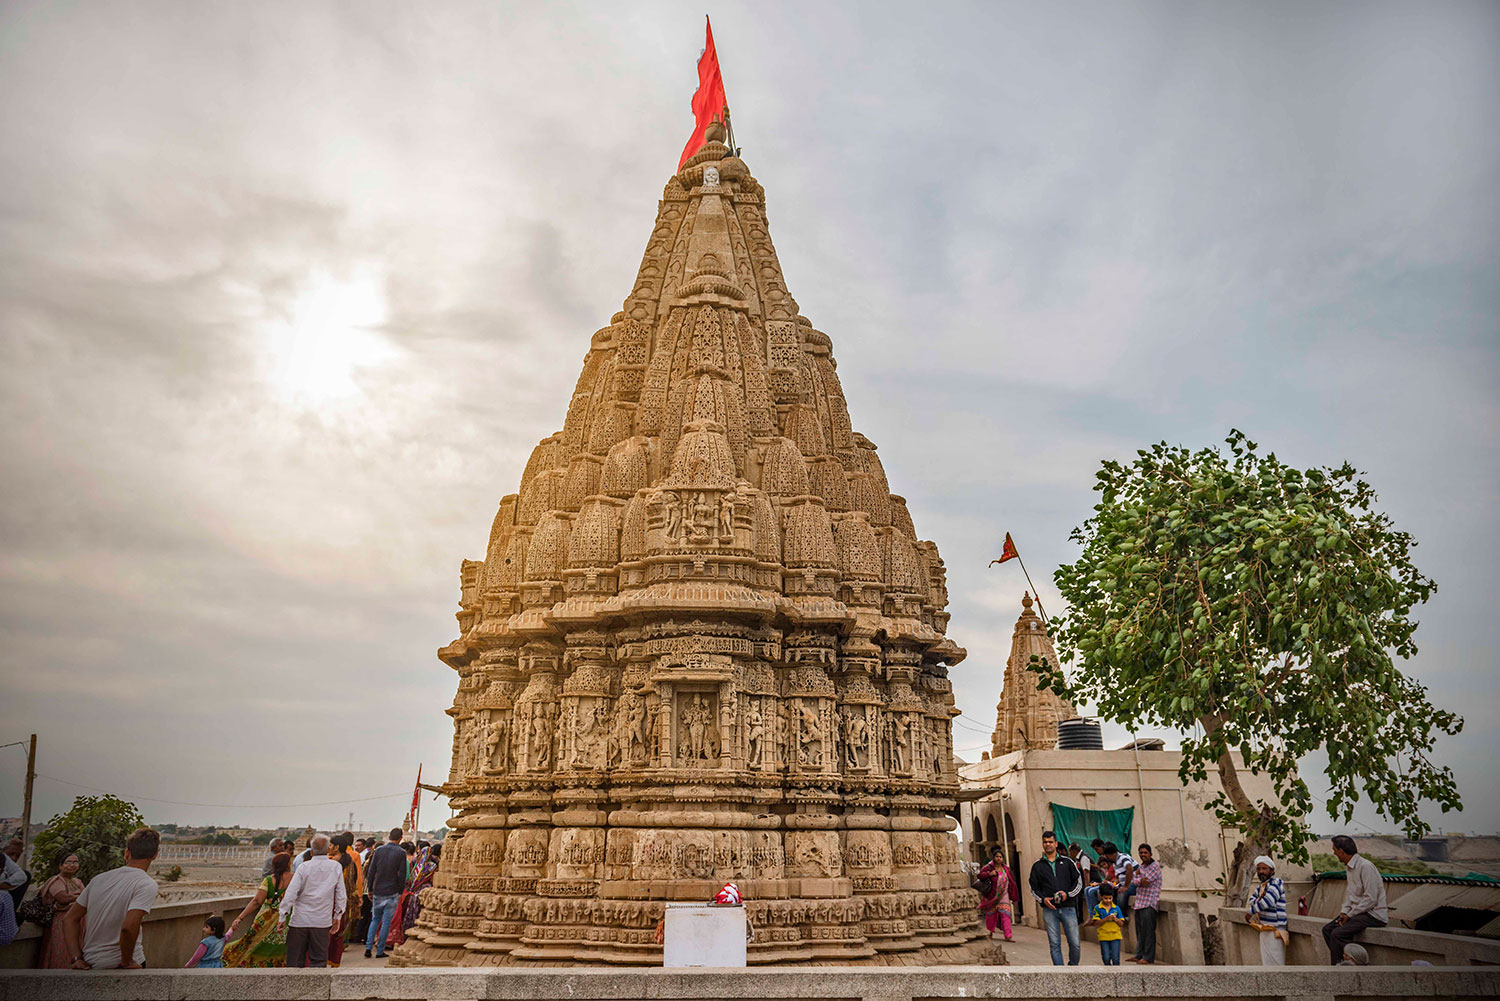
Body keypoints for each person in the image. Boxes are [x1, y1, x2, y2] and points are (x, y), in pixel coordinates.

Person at [63, 827, 160, 970]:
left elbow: (69, 918)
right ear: (155, 855)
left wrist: (76, 958)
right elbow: (128, 927)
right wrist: (127, 961)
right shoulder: (146, 884)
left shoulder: (98, 879)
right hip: (123, 965)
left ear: (127, 853)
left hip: (91, 962)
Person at [277, 833, 345, 968]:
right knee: (319, 961)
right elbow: (341, 895)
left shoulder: (304, 867)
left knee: (295, 961)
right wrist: (338, 916)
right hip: (322, 922)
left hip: (299, 921)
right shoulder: (335, 867)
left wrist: (282, 916)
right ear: (327, 850)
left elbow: (291, 893)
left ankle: (295, 987)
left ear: (312, 851)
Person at [1321, 835, 1387, 965]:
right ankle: (1344, 961)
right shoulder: (1350, 868)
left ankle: (1351, 963)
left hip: (1373, 914)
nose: (1334, 853)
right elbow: (1350, 895)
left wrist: (1350, 914)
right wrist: (1344, 912)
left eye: (1335, 850)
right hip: (1359, 913)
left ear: (1341, 851)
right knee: (1328, 930)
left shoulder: (1365, 866)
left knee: (1338, 934)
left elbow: (1371, 899)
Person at [223, 851, 292, 968]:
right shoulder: (295, 878)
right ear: (288, 864)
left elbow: (257, 902)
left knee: (251, 944)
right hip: (287, 921)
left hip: (265, 921)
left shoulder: (269, 880)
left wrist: (240, 918)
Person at [1028, 829, 1084, 966]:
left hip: (1068, 908)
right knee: (1054, 944)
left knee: (1075, 943)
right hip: (1049, 910)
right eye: (1045, 842)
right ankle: (1060, 973)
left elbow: (1078, 882)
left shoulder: (1067, 862)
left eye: (1050, 842)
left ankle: (1073, 968)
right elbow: (1033, 887)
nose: (1048, 844)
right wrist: (1043, 899)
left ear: (1056, 843)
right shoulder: (1037, 866)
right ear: (1042, 844)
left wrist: (1068, 894)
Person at [36, 853, 86, 968]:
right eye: (68, 862)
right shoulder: (56, 880)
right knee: (61, 948)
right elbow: (62, 898)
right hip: (61, 921)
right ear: (61, 866)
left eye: (75, 862)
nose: (72, 865)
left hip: (78, 921)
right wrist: (81, 897)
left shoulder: (77, 882)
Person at [364, 828, 407, 959]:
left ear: (389, 836)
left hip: (378, 889)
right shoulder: (401, 852)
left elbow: (371, 872)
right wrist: (400, 891)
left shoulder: (379, 850)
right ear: (400, 838)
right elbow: (402, 874)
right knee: (386, 922)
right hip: (392, 890)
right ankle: (379, 950)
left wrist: (370, 889)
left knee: (375, 919)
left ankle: (368, 947)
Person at [1247, 854, 1289, 966]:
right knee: (1267, 964)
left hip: (1275, 930)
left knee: (1276, 964)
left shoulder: (1276, 883)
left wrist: (1250, 911)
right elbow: (1252, 900)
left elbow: (1268, 901)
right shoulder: (1262, 886)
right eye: (1259, 869)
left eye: (1264, 868)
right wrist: (1259, 900)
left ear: (1272, 870)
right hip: (1265, 929)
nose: (1261, 871)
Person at [1127, 843, 1162, 964]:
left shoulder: (1154, 867)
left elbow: (1144, 882)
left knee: (1148, 932)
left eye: (1145, 853)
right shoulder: (1142, 867)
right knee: (1140, 931)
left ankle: (1148, 957)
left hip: (1149, 903)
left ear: (1150, 854)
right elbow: (1134, 880)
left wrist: (1138, 879)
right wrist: (1137, 879)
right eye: (1141, 853)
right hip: (1139, 903)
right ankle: (1139, 955)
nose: (1143, 855)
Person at [327, 835, 359, 967]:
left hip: (329, 903)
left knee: (326, 934)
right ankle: (334, 961)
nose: (328, 848)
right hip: (345, 902)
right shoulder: (350, 863)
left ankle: (322, 960)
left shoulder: (331, 864)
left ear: (336, 847)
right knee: (338, 935)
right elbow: (355, 881)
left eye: (330, 845)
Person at [976, 847, 1013, 941]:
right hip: (992, 895)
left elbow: (1011, 881)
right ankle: (989, 932)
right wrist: (989, 874)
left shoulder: (1006, 869)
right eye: (997, 856)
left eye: (1000, 857)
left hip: (1004, 895)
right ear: (993, 858)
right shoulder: (988, 868)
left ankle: (1008, 936)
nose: (999, 858)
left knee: (1006, 915)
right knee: (991, 915)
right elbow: (980, 876)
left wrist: (1013, 895)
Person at [1085, 883, 1126, 965]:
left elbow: (1122, 923)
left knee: (1116, 958)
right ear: (1100, 896)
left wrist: (1116, 919)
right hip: (1103, 935)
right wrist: (1106, 919)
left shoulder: (1116, 908)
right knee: (1106, 957)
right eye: (1105, 898)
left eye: (1110, 898)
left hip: (1115, 935)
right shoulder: (1097, 908)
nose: (1108, 901)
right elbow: (1096, 923)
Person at [1, 838, 29, 911]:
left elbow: (22, 876)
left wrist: (5, 884)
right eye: (11, 854)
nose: (14, 858)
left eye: (17, 856)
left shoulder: (7, 863)